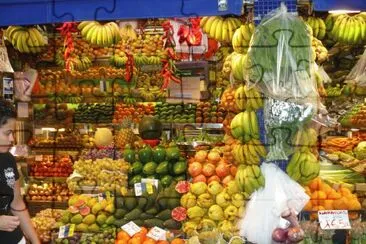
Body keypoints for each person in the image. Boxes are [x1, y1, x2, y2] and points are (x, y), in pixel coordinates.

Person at [0, 100, 40, 244]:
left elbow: (17, 204)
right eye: (8, 133)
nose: (12, 139)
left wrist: (35, 241)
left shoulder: (8, 160)